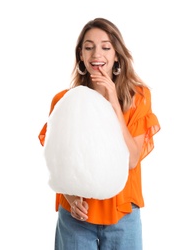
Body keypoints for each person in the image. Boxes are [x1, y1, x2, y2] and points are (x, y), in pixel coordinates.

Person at [38, 17, 160, 250]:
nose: (97, 54)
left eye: (105, 47)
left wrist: (113, 99)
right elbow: (59, 163)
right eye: (89, 46)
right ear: (81, 56)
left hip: (123, 214)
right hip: (76, 217)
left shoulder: (138, 97)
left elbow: (132, 159)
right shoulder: (63, 101)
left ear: (117, 55)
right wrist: (73, 201)